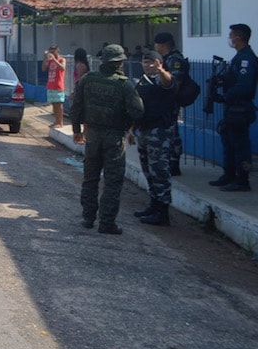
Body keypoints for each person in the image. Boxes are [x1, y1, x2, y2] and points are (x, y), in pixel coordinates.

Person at [71, 44, 144, 235]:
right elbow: (138, 111)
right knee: (112, 181)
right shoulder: (124, 85)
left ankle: (88, 218)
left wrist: (77, 130)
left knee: (90, 178)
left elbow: (76, 106)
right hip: (114, 138)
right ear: (120, 63)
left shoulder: (88, 79)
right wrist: (125, 125)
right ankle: (106, 222)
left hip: (93, 136)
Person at [132, 50, 179, 226]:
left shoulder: (164, 78)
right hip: (144, 130)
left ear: (159, 63)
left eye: (152, 62)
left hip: (159, 132)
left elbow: (169, 84)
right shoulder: (143, 81)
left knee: (159, 170)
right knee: (147, 170)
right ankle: (154, 204)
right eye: (145, 62)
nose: (148, 65)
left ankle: (163, 211)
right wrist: (132, 129)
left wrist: (160, 70)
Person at [210, 23, 258, 192]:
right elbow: (234, 79)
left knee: (239, 145)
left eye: (231, 35)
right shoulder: (238, 57)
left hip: (240, 108)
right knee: (228, 141)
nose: (230, 38)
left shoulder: (246, 59)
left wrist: (225, 96)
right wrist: (221, 80)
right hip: (232, 108)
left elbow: (244, 86)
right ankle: (229, 174)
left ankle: (242, 180)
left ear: (238, 37)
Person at [152, 32, 188, 175]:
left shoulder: (175, 60)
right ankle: (168, 160)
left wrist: (166, 99)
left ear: (163, 45)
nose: (155, 47)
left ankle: (174, 161)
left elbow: (175, 83)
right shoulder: (167, 59)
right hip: (164, 101)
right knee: (167, 131)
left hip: (170, 102)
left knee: (172, 131)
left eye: (156, 44)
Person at [42, 45, 67, 128]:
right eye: (50, 52)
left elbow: (63, 68)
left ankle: (60, 122)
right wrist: (45, 58)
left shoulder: (62, 59)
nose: (52, 53)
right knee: (53, 104)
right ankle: (56, 121)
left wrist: (54, 59)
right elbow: (43, 69)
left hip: (58, 85)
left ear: (57, 51)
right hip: (51, 85)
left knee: (59, 104)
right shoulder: (50, 61)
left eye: (53, 51)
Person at [71, 48, 91, 145]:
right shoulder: (85, 65)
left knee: (79, 114)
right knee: (85, 117)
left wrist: (75, 92)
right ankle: (84, 136)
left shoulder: (80, 65)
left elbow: (79, 79)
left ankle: (82, 136)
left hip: (80, 90)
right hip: (83, 90)